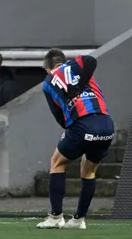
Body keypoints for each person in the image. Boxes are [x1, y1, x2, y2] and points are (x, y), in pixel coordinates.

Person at [37, 49, 114, 229]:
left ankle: (56, 217)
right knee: (88, 171)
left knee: (57, 162)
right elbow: (91, 60)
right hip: (107, 123)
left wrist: (70, 130)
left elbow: (58, 116)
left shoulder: (48, 81)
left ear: (48, 68)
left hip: (82, 124)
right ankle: (79, 220)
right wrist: (78, 86)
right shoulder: (78, 66)